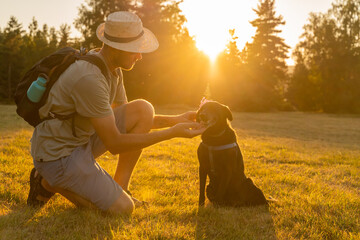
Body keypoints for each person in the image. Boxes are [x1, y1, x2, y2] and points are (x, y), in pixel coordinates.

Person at [27, 11, 206, 215]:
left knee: (143, 110)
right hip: (58, 155)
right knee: (123, 209)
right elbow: (115, 143)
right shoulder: (89, 78)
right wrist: (173, 132)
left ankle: (121, 187)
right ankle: (48, 182)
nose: (140, 56)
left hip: (78, 140)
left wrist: (177, 119)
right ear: (115, 48)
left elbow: (127, 122)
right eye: (134, 50)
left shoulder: (112, 68)